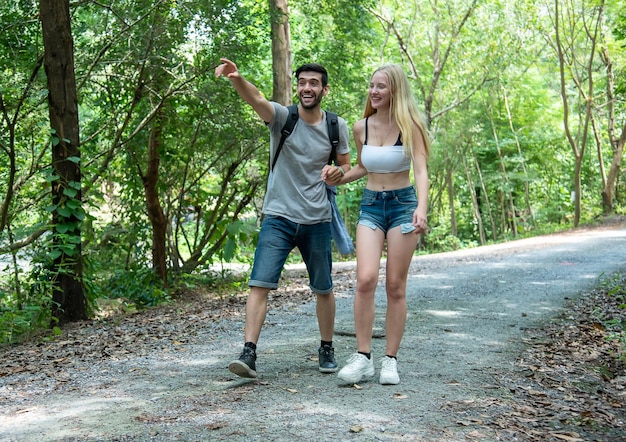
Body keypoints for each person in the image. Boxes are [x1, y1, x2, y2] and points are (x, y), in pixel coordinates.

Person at [215, 58, 351, 378]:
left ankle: (326, 347)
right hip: (278, 215)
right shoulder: (282, 118)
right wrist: (237, 78)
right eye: (302, 82)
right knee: (259, 284)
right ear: (297, 86)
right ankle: (248, 353)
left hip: (317, 218)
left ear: (324, 90)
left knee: (323, 288)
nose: (307, 87)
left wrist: (338, 173)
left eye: (314, 83)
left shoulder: (336, 126)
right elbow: (258, 100)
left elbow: (346, 164)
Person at [328, 64, 430, 385]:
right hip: (371, 206)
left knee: (395, 287)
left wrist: (422, 209)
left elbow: (422, 172)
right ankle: (363, 357)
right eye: (372, 85)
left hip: (403, 208)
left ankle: (390, 360)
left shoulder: (410, 126)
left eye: (381, 86)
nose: (374, 91)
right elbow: (362, 167)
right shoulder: (362, 127)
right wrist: (337, 176)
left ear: (395, 90)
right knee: (365, 280)